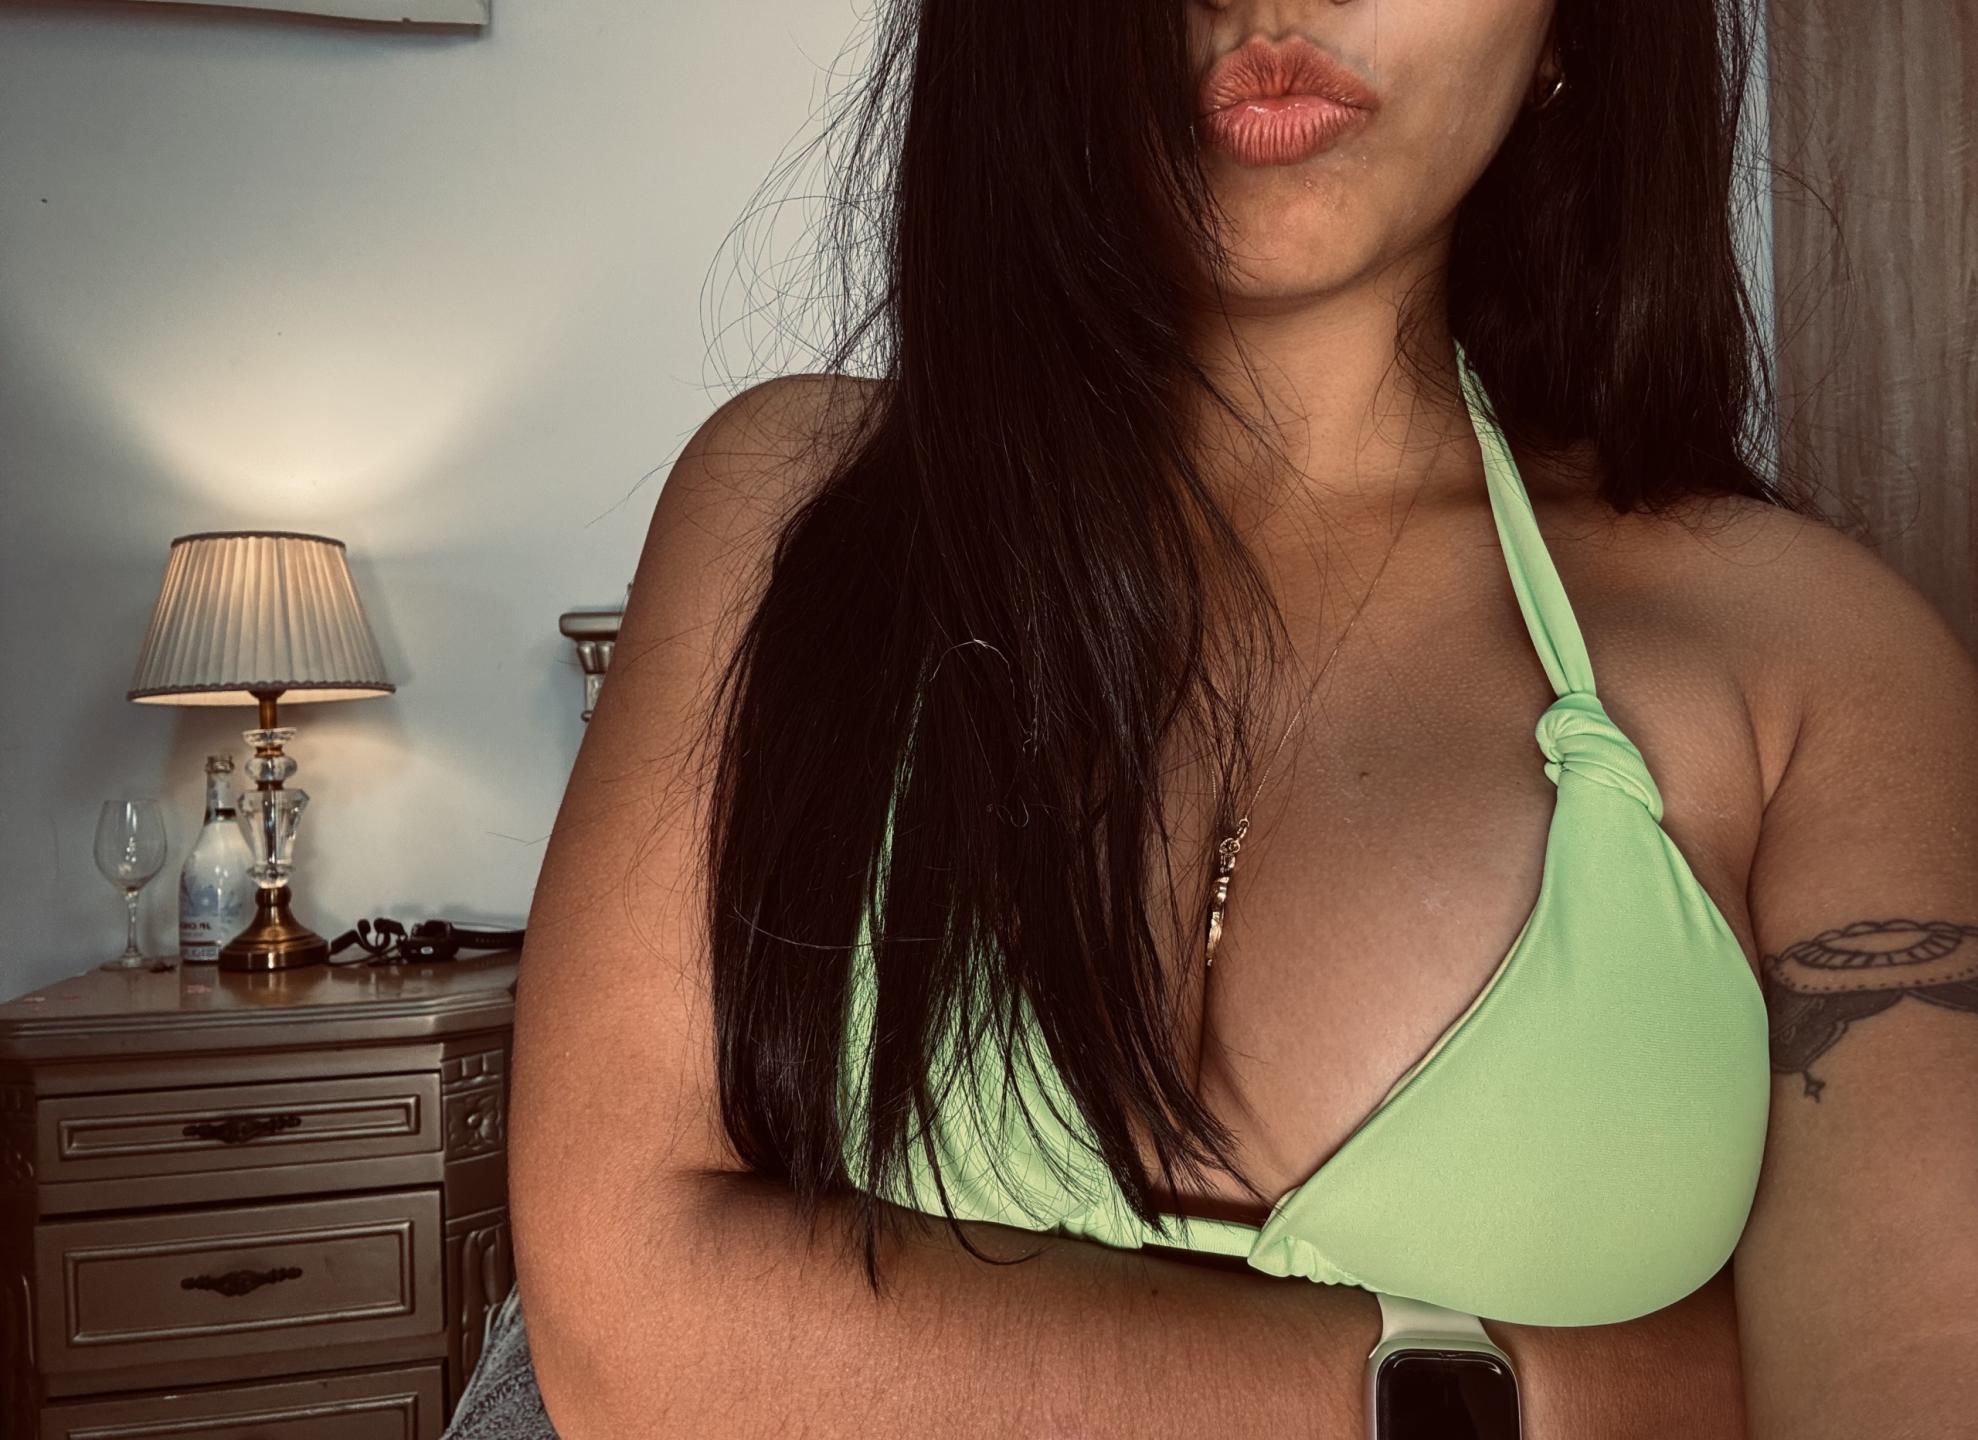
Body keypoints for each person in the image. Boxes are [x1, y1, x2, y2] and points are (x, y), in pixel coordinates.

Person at [453, 1, 1978, 1436]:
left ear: (1566, 27)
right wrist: (1571, 1393)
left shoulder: (1820, 666)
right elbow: (629, 1339)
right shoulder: (788, 516)